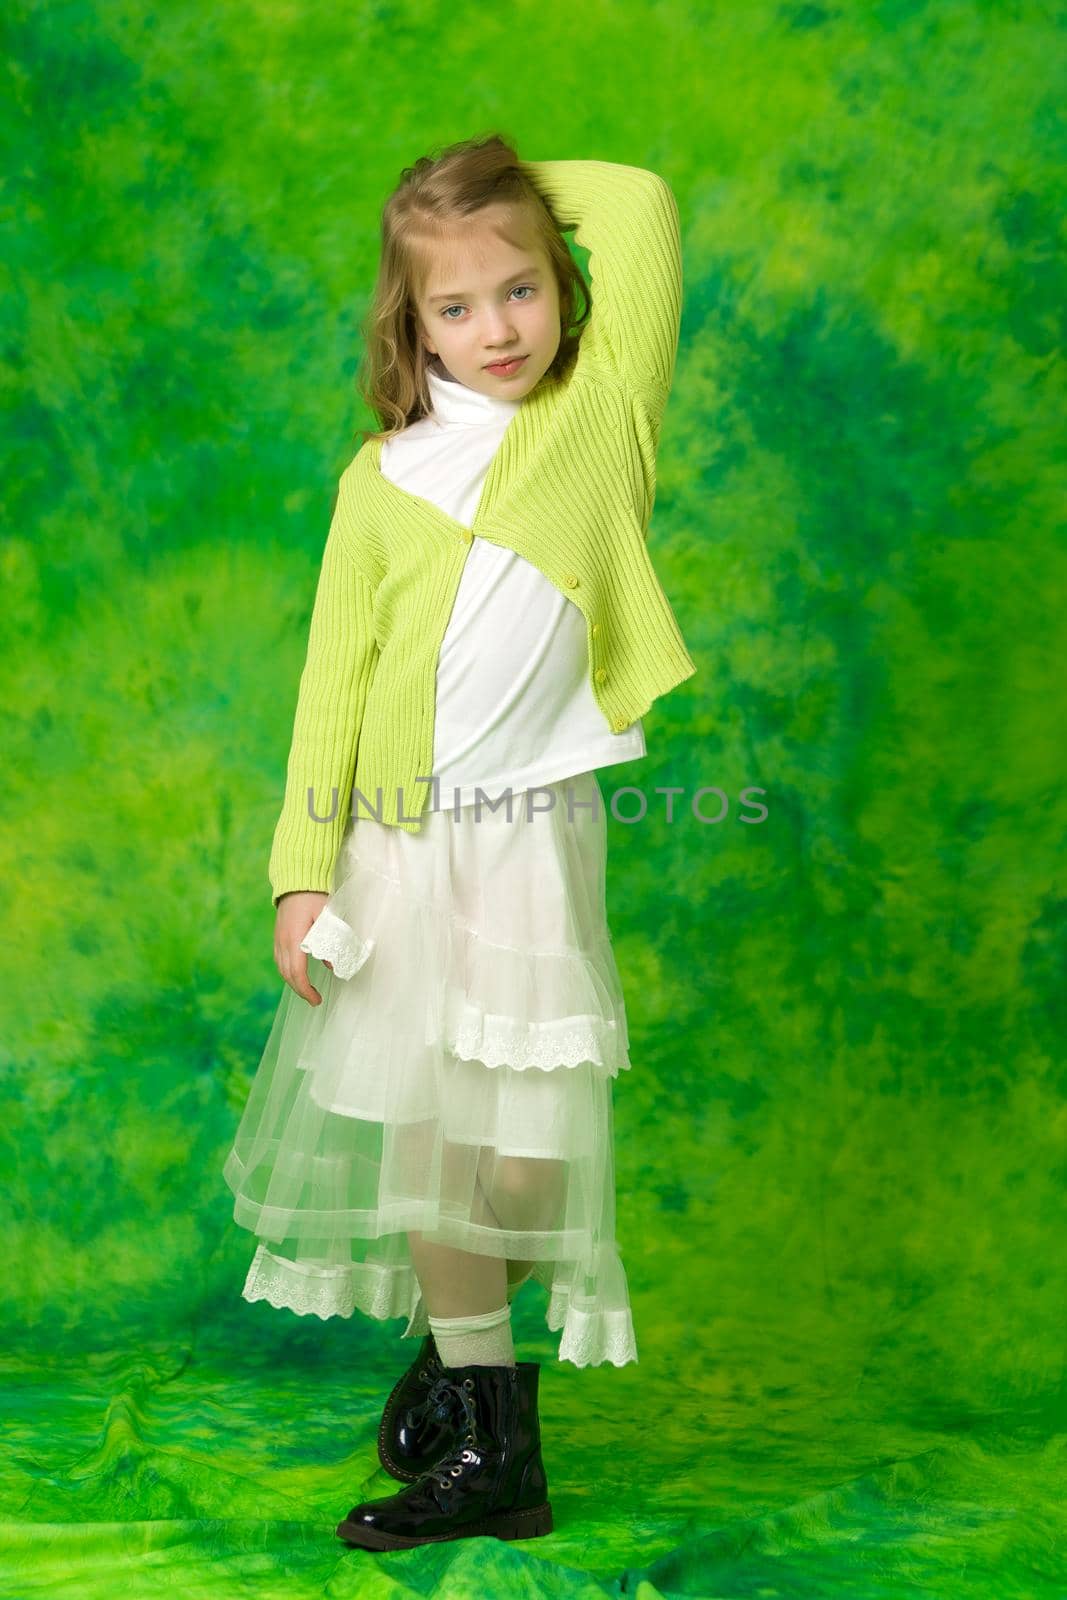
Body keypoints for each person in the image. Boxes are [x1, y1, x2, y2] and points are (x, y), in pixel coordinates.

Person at [222, 132, 698, 1552]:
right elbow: (334, 682)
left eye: (521, 290)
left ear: (564, 287)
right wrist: (300, 872)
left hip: (531, 845)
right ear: (406, 318)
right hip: (399, 845)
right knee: (437, 1145)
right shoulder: (384, 477)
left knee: (528, 1158)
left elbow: (645, 202)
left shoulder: (601, 411)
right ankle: (497, 1449)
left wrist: (471, 191)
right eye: (454, 303)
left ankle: (457, 1339)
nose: (496, 328)